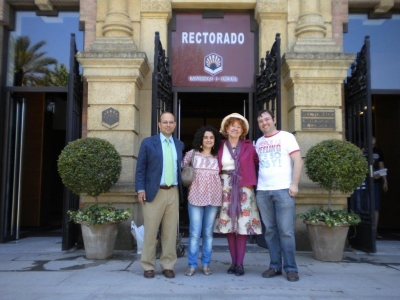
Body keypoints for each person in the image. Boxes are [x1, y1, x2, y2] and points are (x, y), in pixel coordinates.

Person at [135, 112, 184, 279]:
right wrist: (140, 189)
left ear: (175, 125)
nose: (168, 125)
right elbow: (141, 168)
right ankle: (148, 265)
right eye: (165, 122)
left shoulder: (179, 145)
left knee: (170, 232)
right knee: (150, 231)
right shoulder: (148, 143)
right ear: (159, 124)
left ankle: (168, 265)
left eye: (171, 122)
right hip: (154, 193)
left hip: (173, 192)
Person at [255, 109, 303, 282]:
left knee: (286, 232)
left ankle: (291, 268)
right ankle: (274, 266)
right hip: (263, 191)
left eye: (267, 119)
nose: (264, 123)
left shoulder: (287, 137)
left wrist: (294, 184)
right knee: (270, 232)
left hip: (284, 189)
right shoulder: (258, 142)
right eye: (260, 121)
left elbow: (298, 160)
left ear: (274, 120)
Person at [214, 113, 262, 276]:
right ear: (226, 128)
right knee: (228, 226)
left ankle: (240, 264)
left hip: (244, 188)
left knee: (242, 226)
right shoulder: (219, 146)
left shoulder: (249, 146)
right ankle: (233, 262)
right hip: (225, 188)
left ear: (242, 131)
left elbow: (256, 163)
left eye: (238, 126)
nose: (235, 128)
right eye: (232, 125)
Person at [182, 126, 222, 276]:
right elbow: (182, 168)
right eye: (206, 137)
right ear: (201, 139)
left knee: (208, 233)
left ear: (215, 140)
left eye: (211, 137)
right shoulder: (192, 154)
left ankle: (206, 264)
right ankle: (192, 264)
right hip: (195, 197)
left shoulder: (219, 156)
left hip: (213, 198)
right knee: (194, 233)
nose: (209, 140)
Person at [372, 137, 388, 239]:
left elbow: (382, 167)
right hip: (363, 183)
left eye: (374, 144)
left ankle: (374, 231)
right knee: (363, 207)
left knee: (375, 207)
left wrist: (385, 181)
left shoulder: (378, 152)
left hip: (376, 182)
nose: (372, 146)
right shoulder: (361, 151)